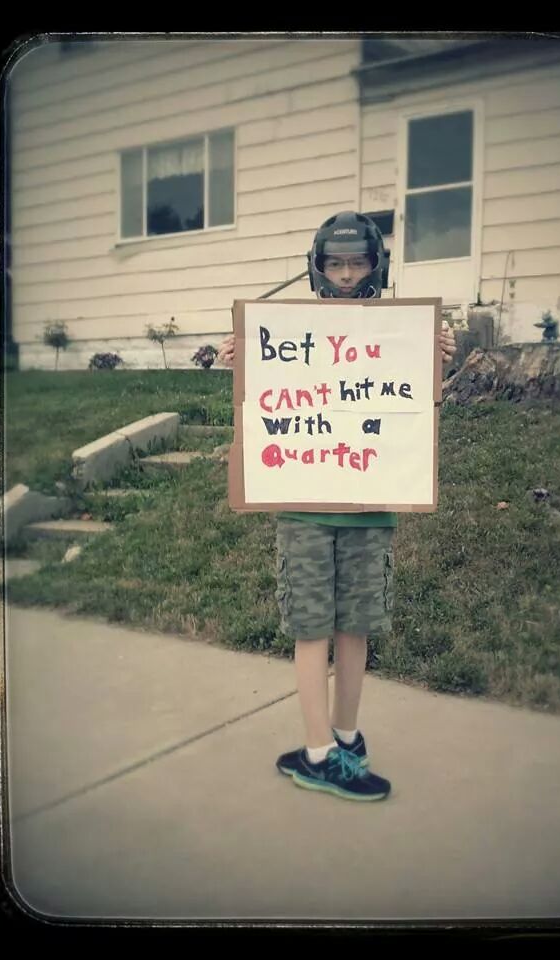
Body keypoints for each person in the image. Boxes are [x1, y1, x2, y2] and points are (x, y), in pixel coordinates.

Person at [218, 211, 456, 801]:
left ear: (377, 265)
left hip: (370, 509)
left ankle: (345, 737)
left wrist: (438, 357)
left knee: (356, 626)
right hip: (302, 509)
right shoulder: (291, 326)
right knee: (310, 628)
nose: (347, 275)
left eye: (358, 262)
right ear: (318, 268)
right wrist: (241, 356)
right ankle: (318, 752)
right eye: (336, 264)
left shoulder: (396, 328)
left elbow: (411, 404)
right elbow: (267, 386)